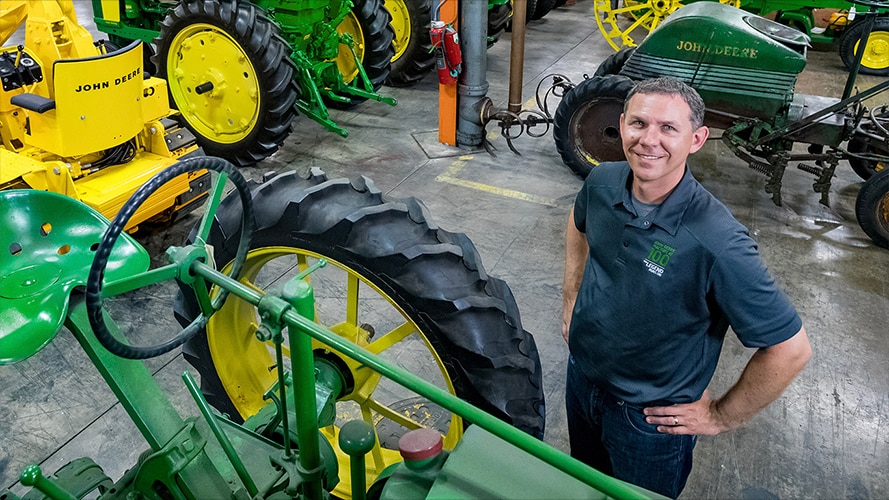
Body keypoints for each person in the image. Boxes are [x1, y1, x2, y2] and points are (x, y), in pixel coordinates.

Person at [561, 77, 812, 498]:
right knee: (585, 487)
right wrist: (571, 299)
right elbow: (577, 223)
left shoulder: (718, 241)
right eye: (638, 123)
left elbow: (790, 350)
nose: (648, 140)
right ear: (621, 125)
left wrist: (719, 416)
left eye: (668, 128)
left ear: (697, 139)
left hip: (648, 422)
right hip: (582, 380)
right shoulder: (602, 182)